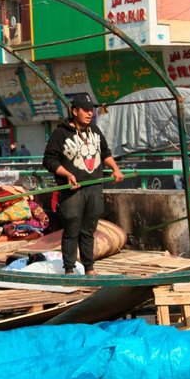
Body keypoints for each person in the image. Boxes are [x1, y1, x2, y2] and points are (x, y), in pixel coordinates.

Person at [43, 94, 124, 275]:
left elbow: (105, 152)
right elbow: (49, 160)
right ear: (74, 111)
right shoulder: (60, 133)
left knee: (89, 229)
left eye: (91, 110)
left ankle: (89, 267)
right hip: (72, 191)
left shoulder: (94, 130)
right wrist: (67, 174)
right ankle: (69, 268)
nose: (90, 113)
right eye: (86, 110)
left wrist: (115, 169)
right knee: (72, 228)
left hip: (94, 188)